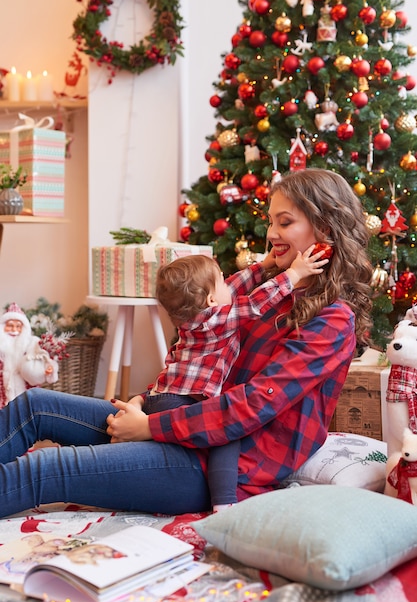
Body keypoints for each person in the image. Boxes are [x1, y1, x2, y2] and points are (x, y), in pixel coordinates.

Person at [0, 169, 373, 519]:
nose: (272, 232)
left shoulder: (331, 321)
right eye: (271, 220)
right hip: (181, 427)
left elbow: (252, 405)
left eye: (285, 222)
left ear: (324, 229)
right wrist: (144, 401)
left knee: (44, 468)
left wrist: (150, 428)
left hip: (218, 467)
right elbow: (197, 358)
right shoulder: (263, 293)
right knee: (35, 406)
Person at [142, 247, 328, 511]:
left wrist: (262, 268)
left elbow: (233, 286)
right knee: (226, 435)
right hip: (178, 400)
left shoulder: (198, 315)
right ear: (210, 300)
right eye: (221, 280)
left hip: (161, 395)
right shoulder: (216, 319)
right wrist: (293, 273)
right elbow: (254, 304)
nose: (228, 281)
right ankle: (224, 502)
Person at [0, 303, 59, 409]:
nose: (14, 330)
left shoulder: (32, 343)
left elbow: (43, 357)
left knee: (26, 409)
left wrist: (48, 368)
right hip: (2, 392)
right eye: (10, 325)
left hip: (26, 389)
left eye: (18, 326)